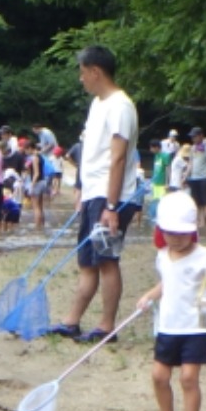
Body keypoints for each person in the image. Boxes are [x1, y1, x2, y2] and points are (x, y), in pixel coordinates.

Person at [52, 45, 144, 343]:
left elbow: (117, 158)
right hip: (94, 194)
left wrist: (112, 206)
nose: (81, 80)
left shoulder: (121, 106)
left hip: (112, 197)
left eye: (82, 73)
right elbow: (91, 153)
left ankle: (107, 327)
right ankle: (71, 322)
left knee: (106, 260)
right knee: (87, 260)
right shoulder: (97, 104)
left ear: (95, 71)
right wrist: (82, 190)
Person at [132, 191, 206, 411]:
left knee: (188, 378)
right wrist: (150, 295)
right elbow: (167, 283)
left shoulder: (205, 256)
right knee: (159, 376)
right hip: (168, 326)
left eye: (182, 233)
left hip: (196, 327)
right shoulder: (162, 255)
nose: (176, 238)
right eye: (170, 233)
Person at [185, 128, 206, 235]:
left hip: (205, 177)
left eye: (195, 136)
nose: (193, 139)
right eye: (192, 137)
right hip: (194, 178)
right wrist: (185, 175)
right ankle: (201, 223)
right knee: (197, 203)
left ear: (201, 135)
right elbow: (190, 163)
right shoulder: (193, 148)